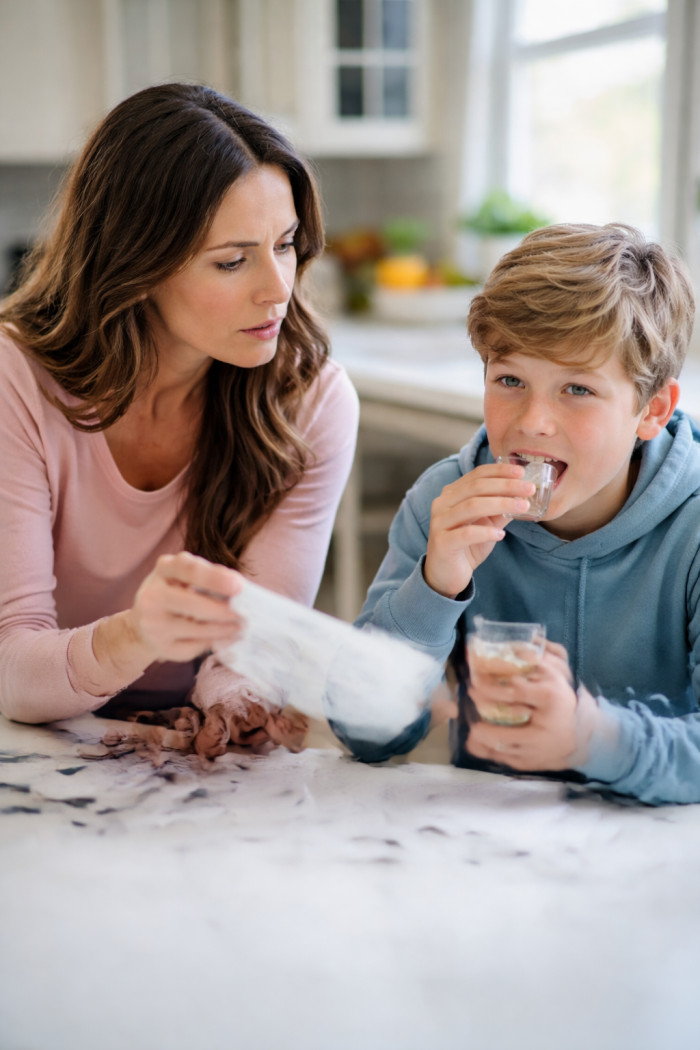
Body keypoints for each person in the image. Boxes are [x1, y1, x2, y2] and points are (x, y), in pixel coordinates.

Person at [0, 82, 359, 755]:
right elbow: (12, 672)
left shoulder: (312, 400)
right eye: (232, 260)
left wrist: (236, 700)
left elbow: (252, 647)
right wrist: (138, 635)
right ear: (134, 268)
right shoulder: (14, 381)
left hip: (180, 759)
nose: (277, 288)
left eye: (284, 245)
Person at [340, 222, 700, 806]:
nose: (532, 421)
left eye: (577, 389)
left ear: (652, 411)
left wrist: (592, 739)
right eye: (510, 379)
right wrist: (434, 584)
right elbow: (362, 732)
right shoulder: (443, 501)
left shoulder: (693, 529)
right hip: (488, 851)